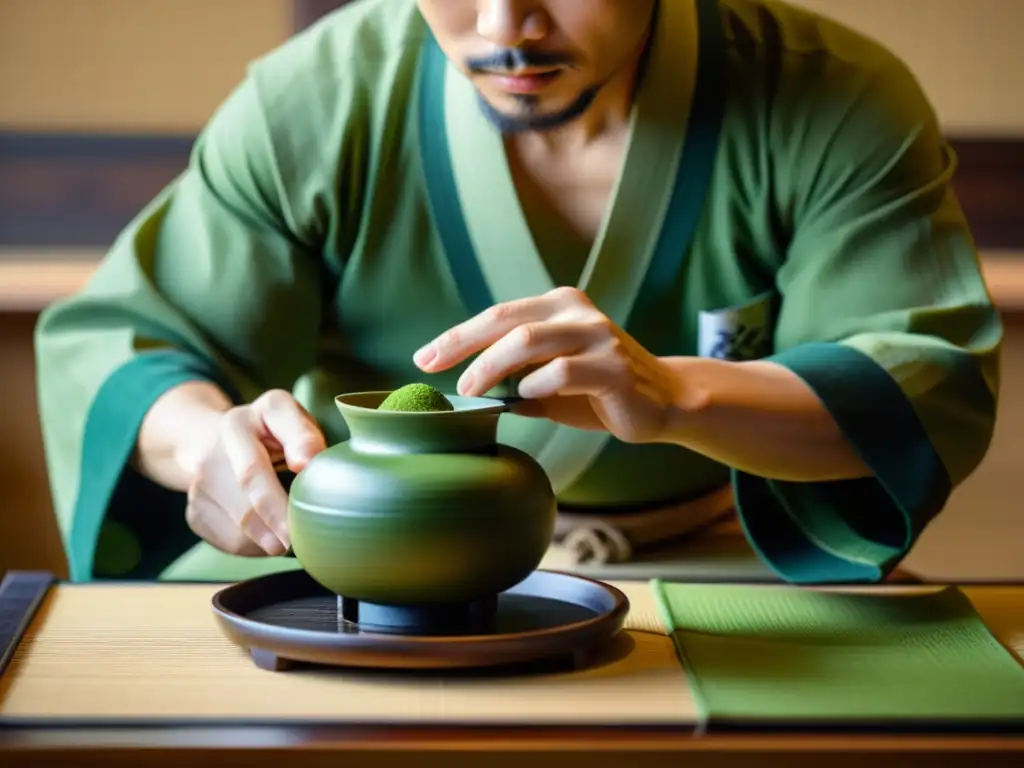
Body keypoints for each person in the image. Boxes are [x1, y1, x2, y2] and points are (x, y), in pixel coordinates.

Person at [35, 0, 1001, 585]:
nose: (504, 28)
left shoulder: (830, 98)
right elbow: (133, 347)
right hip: (364, 567)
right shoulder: (315, 102)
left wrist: (674, 395)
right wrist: (211, 445)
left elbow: (919, 383)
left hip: (729, 563)